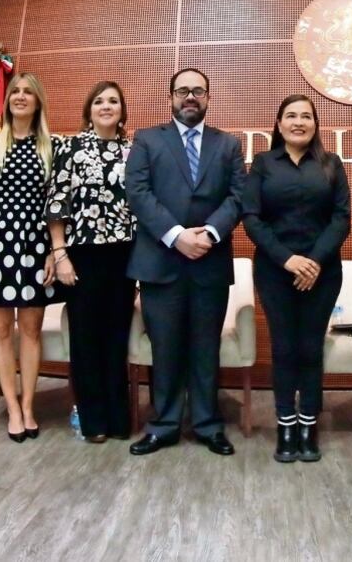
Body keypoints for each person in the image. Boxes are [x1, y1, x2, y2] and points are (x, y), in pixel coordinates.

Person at [124, 68, 245, 456]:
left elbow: (238, 196)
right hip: (160, 262)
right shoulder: (147, 139)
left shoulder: (228, 144)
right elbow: (137, 192)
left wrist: (208, 234)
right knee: (166, 349)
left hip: (210, 261)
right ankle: (164, 425)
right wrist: (177, 236)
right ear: (171, 97)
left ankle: (208, 424)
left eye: (198, 91)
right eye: (182, 91)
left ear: (208, 97)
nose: (190, 97)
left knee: (206, 348)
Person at [242, 94, 349, 463]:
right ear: (279, 123)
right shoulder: (263, 164)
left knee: (310, 347)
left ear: (315, 124)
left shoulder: (331, 164)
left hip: (322, 272)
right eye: (291, 115)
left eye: (306, 116)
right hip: (275, 270)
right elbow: (252, 217)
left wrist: (313, 261)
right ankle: (286, 424)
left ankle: (309, 424)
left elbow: (341, 218)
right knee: (284, 347)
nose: (298, 122)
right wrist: (288, 260)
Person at [0, 73, 59, 443]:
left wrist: (55, 251)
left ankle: (29, 406)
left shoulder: (51, 146)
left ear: (38, 101)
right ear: (7, 101)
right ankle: (13, 409)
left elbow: (57, 205)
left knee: (30, 332)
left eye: (27, 92)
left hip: (36, 247)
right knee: (1, 332)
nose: (19, 96)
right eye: (14, 91)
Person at [47, 81, 136, 443]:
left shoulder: (134, 152)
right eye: (99, 101)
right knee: (86, 339)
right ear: (89, 110)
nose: (106, 106)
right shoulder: (70, 148)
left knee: (116, 337)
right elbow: (57, 202)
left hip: (124, 254)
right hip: (82, 255)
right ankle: (93, 420)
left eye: (113, 101)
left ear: (122, 110)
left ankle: (118, 419)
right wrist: (60, 254)